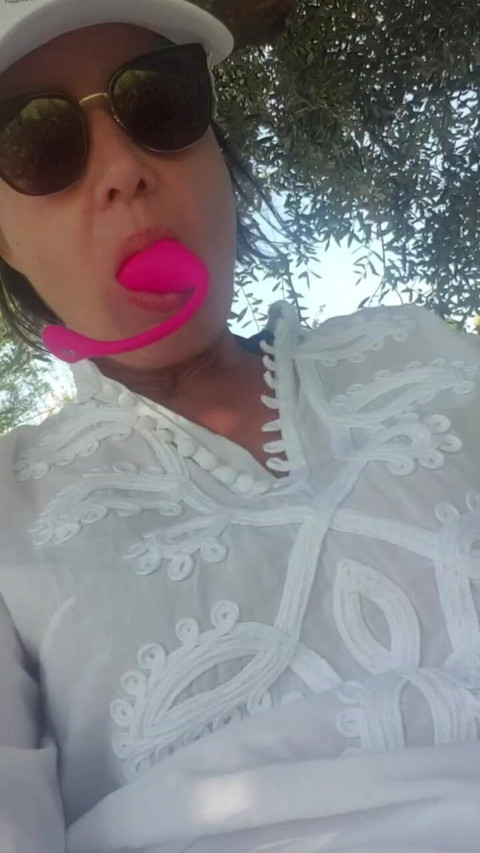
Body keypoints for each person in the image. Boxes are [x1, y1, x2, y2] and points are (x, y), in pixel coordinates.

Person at [0, 1, 479, 851]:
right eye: (35, 144)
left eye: (159, 101)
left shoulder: (420, 346)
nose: (123, 168)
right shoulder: (10, 507)